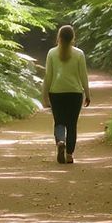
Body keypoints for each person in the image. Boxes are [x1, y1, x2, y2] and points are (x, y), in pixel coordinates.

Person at [41, 24, 91, 164]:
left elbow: (48, 76)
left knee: (59, 122)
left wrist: (44, 95)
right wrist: (87, 94)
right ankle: (69, 155)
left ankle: (60, 141)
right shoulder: (79, 54)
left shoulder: (51, 53)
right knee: (72, 124)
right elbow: (83, 76)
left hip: (56, 93)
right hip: (75, 93)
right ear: (73, 38)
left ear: (59, 37)